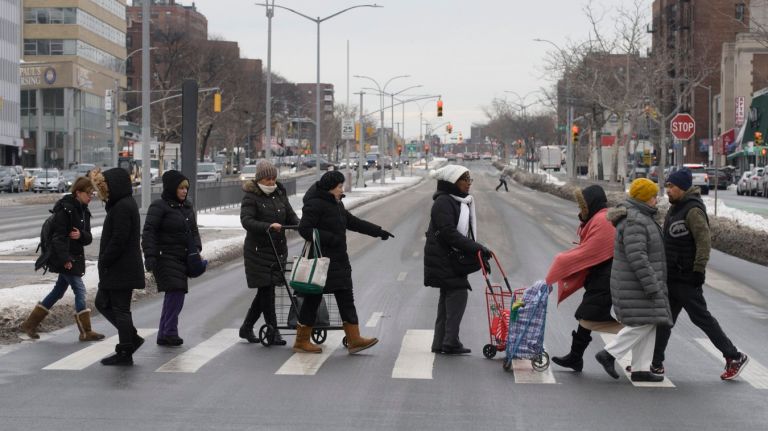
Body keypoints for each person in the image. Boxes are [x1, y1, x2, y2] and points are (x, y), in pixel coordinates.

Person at [652, 168, 749, 380]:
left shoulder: (693, 210)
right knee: (664, 320)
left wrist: (698, 271)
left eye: (672, 187)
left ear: (683, 188)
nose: (668, 190)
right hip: (672, 277)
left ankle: (734, 355)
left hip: (687, 278)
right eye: (667, 186)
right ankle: (655, 363)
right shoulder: (675, 208)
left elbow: (704, 242)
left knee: (702, 319)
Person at [293, 170, 394, 354]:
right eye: (340, 186)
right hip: (321, 262)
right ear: (330, 187)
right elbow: (304, 229)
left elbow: (353, 222)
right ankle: (301, 341)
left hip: (338, 261)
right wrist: (331, 238)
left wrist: (378, 232)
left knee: (347, 298)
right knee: (313, 300)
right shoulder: (315, 204)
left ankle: (354, 339)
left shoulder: (336, 204)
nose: (342, 189)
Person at [595, 178, 672, 382]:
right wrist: (652, 285)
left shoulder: (641, 217)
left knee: (648, 321)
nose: (656, 199)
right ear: (644, 198)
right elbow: (637, 257)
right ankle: (609, 354)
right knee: (645, 322)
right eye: (653, 196)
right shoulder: (635, 220)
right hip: (637, 285)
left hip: (636, 284)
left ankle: (640, 369)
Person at [20, 177, 105, 342]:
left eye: (92, 193)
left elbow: (87, 238)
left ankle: (30, 324)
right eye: (88, 193)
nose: (91, 196)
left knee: (58, 291)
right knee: (79, 290)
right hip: (66, 258)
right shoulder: (65, 210)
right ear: (78, 192)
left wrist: (81, 235)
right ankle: (86, 331)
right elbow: (58, 238)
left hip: (76, 257)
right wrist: (65, 259)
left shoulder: (84, 210)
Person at [546, 185, 621, 371]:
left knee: (588, 316)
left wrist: (561, 262)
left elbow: (590, 251)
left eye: (583, 206)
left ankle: (619, 348)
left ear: (592, 204)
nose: (581, 210)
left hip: (608, 278)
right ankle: (576, 357)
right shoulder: (598, 217)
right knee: (587, 316)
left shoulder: (603, 220)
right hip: (602, 277)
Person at [424, 165, 492, 355]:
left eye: (470, 180)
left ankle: (440, 342)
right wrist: (477, 247)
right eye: (465, 180)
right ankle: (450, 341)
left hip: (446, 258)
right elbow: (450, 234)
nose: (469, 184)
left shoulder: (455, 201)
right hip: (444, 258)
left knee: (448, 296)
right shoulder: (444, 202)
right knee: (458, 293)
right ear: (453, 181)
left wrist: (477, 251)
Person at [239, 160, 299, 346]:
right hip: (258, 251)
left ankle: (246, 327)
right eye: (267, 180)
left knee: (266, 290)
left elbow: (290, 215)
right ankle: (273, 331)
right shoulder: (251, 196)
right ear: (259, 180)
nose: (272, 183)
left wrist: (301, 226)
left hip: (277, 250)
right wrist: (267, 227)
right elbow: (246, 221)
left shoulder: (280, 193)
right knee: (267, 291)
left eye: (273, 179)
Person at [90, 168, 145, 366]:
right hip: (118, 267)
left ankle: (125, 351)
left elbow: (119, 238)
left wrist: (105, 258)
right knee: (103, 303)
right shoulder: (121, 204)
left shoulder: (123, 206)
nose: (102, 194)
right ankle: (131, 339)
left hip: (120, 267)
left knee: (120, 309)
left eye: (104, 189)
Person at [142, 170, 201, 347]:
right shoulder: (159, 206)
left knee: (176, 294)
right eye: (181, 188)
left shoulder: (187, 207)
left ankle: (165, 333)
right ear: (171, 188)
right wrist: (150, 255)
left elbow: (194, 231)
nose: (184, 191)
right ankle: (169, 332)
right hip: (165, 257)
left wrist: (197, 248)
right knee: (176, 292)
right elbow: (148, 232)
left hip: (182, 257)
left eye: (186, 188)